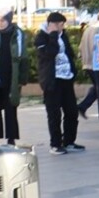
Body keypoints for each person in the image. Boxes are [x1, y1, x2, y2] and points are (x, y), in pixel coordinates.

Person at [35, 11, 83, 155]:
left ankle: (69, 141)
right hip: (52, 80)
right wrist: (53, 35)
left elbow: (69, 53)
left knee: (71, 111)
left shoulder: (64, 35)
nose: (62, 28)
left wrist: (73, 71)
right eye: (59, 25)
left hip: (66, 78)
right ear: (52, 25)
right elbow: (50, 53)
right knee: (54, 113)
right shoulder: (41, 37)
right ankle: (55, 144)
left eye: (63, 25)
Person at [0, 10, 30, 147]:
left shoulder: (18, 34)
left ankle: (11, 137)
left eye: (3, 20)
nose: (0, 23)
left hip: (11, 77)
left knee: (11, 109)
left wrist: (22, 79)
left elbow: (24, 58)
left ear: (9, 20)